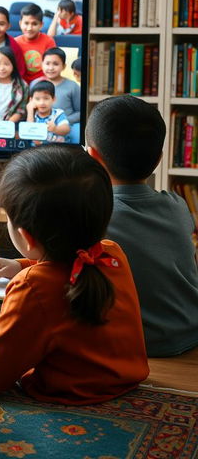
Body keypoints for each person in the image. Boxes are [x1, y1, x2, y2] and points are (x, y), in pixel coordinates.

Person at [0, 144, 149, 404]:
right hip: (124, 379)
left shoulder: (32, 287)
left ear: (26, 237)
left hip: (68, 397)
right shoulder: (111, 253)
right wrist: (23, 264)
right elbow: (65, 271)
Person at [86, 95, 198, 357]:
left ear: (93, 157)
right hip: (190, 330)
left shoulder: (94, 216)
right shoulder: (178, 205)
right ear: (159, 159)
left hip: (136, 343)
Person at [14, 3, 56, 82]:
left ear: (41, 25)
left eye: (34, 24)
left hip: (43, 82)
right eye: (26, 23)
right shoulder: (15, 42)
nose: (29, 28)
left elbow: (52, 65)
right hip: (21, 83)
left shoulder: (49, 41)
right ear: (20, 24)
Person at [41, 47, 81, 125]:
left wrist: (62, 121)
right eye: (47, 63)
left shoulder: (73, 86)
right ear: (42, 64)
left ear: (64, 66)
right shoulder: (35, 83)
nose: (51, 68)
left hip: (66, 129)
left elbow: (80, 112)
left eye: (55, 64)